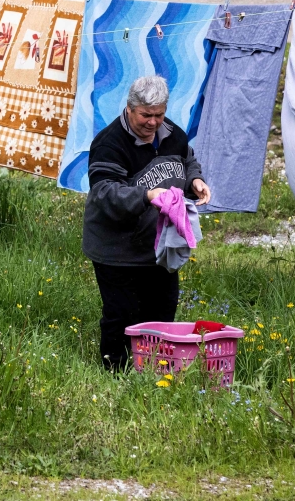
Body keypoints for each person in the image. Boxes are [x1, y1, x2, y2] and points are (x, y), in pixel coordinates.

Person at [82, 75, 212, 371]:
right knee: (122, 313)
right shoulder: (109, 143)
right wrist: (147, 195)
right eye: (146, 115)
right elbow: (103, 192)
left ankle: (154, 371)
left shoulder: (172, 134)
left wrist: (195, 180)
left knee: (162, 312)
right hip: (116, 247)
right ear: (130, 109)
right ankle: (114, 373)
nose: (153, 122)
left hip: (160, 245)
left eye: (159, 114)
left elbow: (188, 159)